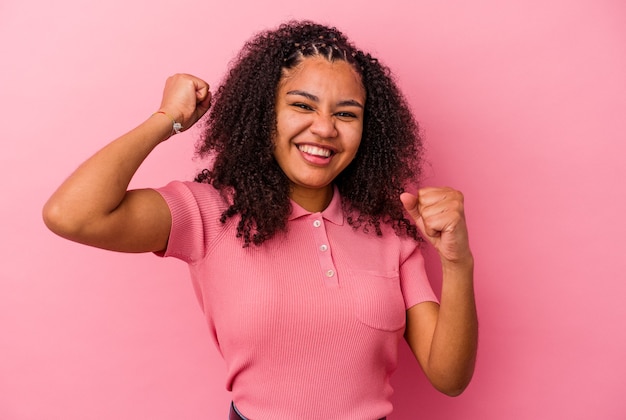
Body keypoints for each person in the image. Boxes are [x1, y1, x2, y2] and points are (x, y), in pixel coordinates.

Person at [43, 20, 477, 420]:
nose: (324, 128)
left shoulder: (389, 229)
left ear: (369, 131)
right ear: (263, 114)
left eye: (346, 114)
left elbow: (448, 376)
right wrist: (166, 120)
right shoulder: (208, 212)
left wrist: (458, 263)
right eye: (302, 105)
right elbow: (72, 215)